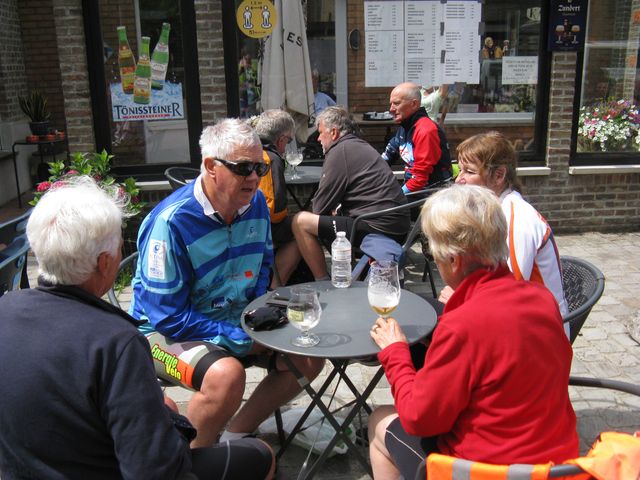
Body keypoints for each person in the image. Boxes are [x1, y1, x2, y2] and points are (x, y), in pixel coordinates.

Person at [0, 177, 274, 479]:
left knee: (166, 403)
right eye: (120, 245)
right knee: (261, 455)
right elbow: (153, 469)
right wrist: (177, 434)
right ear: (105, 263)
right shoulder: (116, 341)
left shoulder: (5, 310)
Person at [129, 118, 324, 447]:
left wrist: (262, 316)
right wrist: (241, 339)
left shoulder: (255, 203)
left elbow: (263, 264)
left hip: (233, 319)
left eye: (259, 168)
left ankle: (234, 436)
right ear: (210, 166)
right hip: (160, 335)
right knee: (226, 376)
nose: (253, 178)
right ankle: (190, 459)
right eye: (242, 168)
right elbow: (166, 316)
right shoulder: (171, 222)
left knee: (308, 354)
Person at [367, 184, 578, 480]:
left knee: (380, 420)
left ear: (454, 260)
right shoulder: (541, 299)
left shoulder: (463, 326)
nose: (433, 259)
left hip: (489, 471)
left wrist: (395, 351)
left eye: (433, 252)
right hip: (556, 464)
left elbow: (418, 418)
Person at [445, 131, 568, 321]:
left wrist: (461, 297)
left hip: (537, 328)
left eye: (469, 171)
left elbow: (509, 293)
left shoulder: (517, 221)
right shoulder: (494, 212)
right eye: (458, 170)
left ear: (499, 175)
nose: (458, 179)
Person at [291, 106, 410, 281]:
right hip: (397, 225)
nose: (318, 139)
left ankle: (322, 280)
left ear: (333, 133)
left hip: (375, 227)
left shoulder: (339, 152)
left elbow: (319, 208)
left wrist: (331, 210)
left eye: (320, 132)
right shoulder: (358, 145)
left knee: (300, 222)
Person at [252, 109, 302, 286]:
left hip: (240, 223)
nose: (287, 146)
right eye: (288, 141)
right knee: (302, 232)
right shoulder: (271, 159)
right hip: (259, 226)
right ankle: (274, 286)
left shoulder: (249, 152)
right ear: (281, 140)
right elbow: (274, 212)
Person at [381, 82, 452, 193]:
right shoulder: (405, 127)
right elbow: (387, 156)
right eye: (391, 104)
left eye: (396, 103)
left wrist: (398, 196)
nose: (391, 109)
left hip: (432, 196)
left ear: (414, 104)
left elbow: (420, 179)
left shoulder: (426, 130)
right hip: (415, 190)